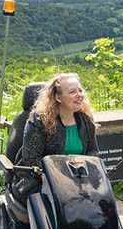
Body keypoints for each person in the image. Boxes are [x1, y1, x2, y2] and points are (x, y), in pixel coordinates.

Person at [13, 73, 98, 203]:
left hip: (78, 179)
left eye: (80, 90)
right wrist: (61, 180)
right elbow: (32, 159)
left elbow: (93, 152)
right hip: (40, 180)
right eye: (72, 92)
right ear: (58, 97)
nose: (79, 95)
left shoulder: (85, 120)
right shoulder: (40, 120)